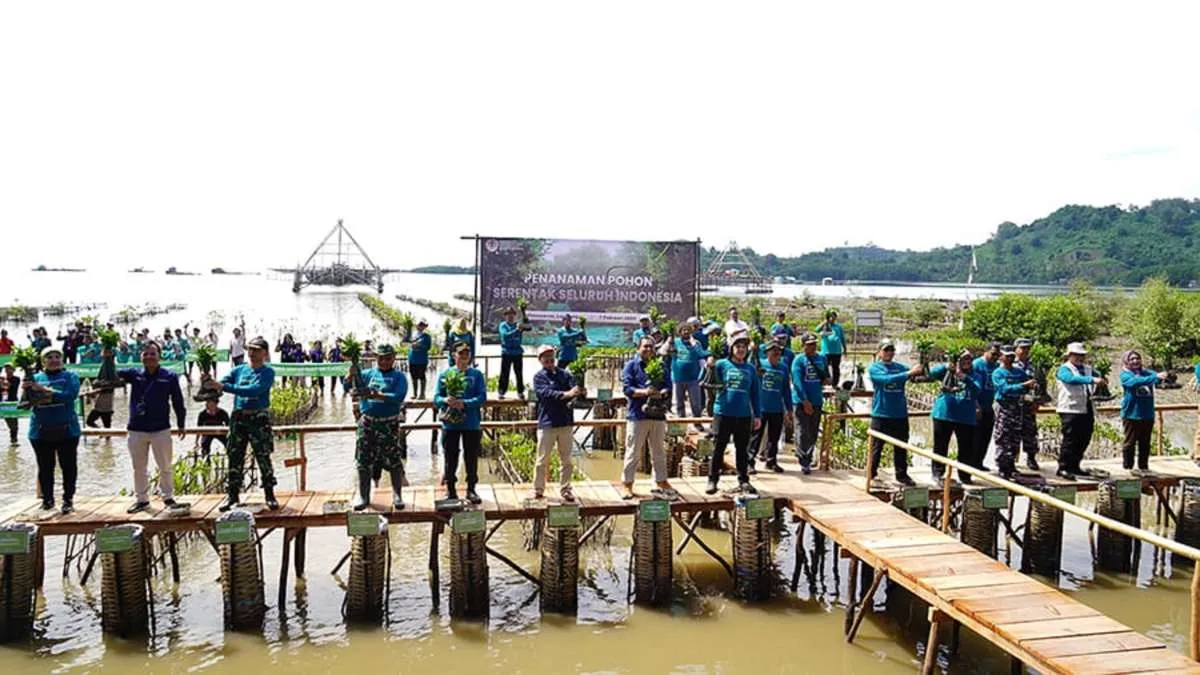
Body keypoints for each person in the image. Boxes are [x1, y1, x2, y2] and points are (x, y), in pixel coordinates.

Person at [119, 341, 187, 513]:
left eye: (153, 354)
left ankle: (168, 497)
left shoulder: (169, 376)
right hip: (136, 429)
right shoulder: (134, 374)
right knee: (139, 467)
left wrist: (181, 423)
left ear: (159, 356)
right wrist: (107, 355)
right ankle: (142, 500)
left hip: (161, 429)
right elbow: (109, 375)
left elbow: (178, 401)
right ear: (141, 357)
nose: (149, 357)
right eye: (146, 354)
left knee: (165, 466)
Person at [213, 336, 278, 511]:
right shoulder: (240, 369)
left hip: (258, 418)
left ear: (264, 353)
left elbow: (254, 390)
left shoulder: (267, 372)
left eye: (256, 350)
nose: (252, 353)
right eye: (249, 349)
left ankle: (270, 495)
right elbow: (224, 381)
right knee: (234, 456)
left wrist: (224, 387)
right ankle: (232, 496)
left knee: (263, 456)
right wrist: (215, 385)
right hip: (238, 418)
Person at [352, 344, 409, 511]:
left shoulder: (399, 377)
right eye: (380, 358)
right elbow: (351, 386)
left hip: (389, 423)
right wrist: (350, 375)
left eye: (387, 358)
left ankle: (397, 494)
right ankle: (364, 496)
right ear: (376, 358)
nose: (384, 361)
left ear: (393, 358)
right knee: (363, 460)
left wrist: (377, 395)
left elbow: (398, 396)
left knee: (394, 459)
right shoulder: (368, 373)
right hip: (368, 422)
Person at [25, 346, 81, 513]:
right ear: (43, 362)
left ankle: (68, 500)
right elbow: (24, 405)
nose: (54, 360)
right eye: (49, 357)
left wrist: (44, 391)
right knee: (45, 467)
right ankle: (47, 500)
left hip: (67, 431)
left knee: (68, 466)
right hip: (40, 431)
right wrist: (27, 391)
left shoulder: (70, 376)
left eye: (57, 356)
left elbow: (70, 395)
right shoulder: (34, 378)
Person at [705, 333, 761, 494]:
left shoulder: (750, 369)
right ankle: (712, 479)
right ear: (731, 349)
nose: (741, 350)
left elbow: (755, 393)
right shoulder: (722, 364)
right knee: (719, 447)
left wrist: (757, 415)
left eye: (744, 347)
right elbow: (707, 381)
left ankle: (743, 480)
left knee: (742, 449)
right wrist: (709, 365)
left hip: (743, 415)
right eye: (738, 347)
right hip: (723, 413)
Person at [620, 336, 675, 499]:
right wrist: (645, 392)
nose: (649, 349)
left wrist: (662, 393)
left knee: (658, 451)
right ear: (639, 348)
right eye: (645, 347)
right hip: (637, 415)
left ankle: (661, 481)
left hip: (658, 415)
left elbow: (668, 386)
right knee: (633, 451)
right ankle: (627, 484)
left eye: (651, 347)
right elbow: (627, 389)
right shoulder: (631, 365)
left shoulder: (660, 365)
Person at [434, 342, 486, 502]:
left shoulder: (476, 375)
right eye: (460, 354)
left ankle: (471, 489)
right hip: (450, 424)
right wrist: (445, 400)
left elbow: (482, 397)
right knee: (450, 456)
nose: (464, 358)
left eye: (467, 355)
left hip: (471, 423)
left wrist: (465, 403)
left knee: (471, 457)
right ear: (453, 355)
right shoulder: (445, 374)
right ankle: (451, 490)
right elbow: (436, 398)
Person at [868, 339, 923, 486]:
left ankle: (902, 475)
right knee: (876, 447)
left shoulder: (901, 367)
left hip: (899, 414)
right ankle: (871, 474)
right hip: (881, 414)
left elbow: (916, 377)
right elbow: (885, 380)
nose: (889, 353)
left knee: (901, 447)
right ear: (879, 352)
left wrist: (922, 367)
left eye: (891, 350)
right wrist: (909, 373)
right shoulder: (874, 368)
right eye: (886, 350)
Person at [531, 344, 582, 501]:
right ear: (540, 360)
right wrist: (566, 394)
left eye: (551, 355)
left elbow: (574, 387)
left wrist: (579, 389)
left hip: (565, 423)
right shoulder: (539, 377)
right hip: (547, 423)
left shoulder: (565, 374)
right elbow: (546, 393)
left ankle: (566, 489)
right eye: (545, 356)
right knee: (542, 459)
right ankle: (538, 489)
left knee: (566, 459)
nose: (549, 359)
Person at [1055, 342, 1106, 480]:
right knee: (1070, 439)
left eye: (1081, 355)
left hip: (1086, 407)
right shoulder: (1064, 369)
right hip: (1069, 408)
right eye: (1076, 355)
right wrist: (1092, 379)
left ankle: (1075, 466)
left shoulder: (1089, 369)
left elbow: (1099, 376)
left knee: (1084, 438)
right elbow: (1070, 379)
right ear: (1069, 355)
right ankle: (1064, 467)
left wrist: (1102, 379)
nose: (1079, 358)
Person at [928, 351, 981, 483]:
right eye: (963, 359)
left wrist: (964, 377)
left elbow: (977, 390)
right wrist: (946, 366)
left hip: (966, 417)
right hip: (943, 415)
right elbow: (932, 374)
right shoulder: (948, 372)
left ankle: (964, 476)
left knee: (966, 448)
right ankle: (938, 473)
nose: (967, 362)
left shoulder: (976, 376)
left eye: (969, 359)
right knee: (940, 446)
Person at [991, 345, 1038, 479]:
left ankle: (1011, 465)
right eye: (1007, 356)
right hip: (1004, 407)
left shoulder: (1019, 372)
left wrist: (1031, 388)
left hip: (1018, 407)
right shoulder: (998, 373)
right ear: (1001, 357)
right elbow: (1004, 389)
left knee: (1015, 438)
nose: (1010, 358)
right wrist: (1022, 386)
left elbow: (1028, 387)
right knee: (1003, 437)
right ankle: (1002, 466)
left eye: (1012, 356)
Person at [1120, 350, 1167, 473]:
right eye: (1132, 359)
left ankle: (1143, 467)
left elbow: (1156, 379)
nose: (1135, 361)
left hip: (1147, 414)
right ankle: (1127, 467)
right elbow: (1135, 382)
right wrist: (1155, 377)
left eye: (1137, 358)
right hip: (1131, 414)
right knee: (1130, 443)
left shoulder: (1147, 373)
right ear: (1126, 361)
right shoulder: (1125, 375)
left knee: (1145, 443)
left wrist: (1165, 376)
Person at [750, 341, 790, 474]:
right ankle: (749, 462)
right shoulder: (759, 364)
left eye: (778, 351)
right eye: (773, 351)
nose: (776, 353)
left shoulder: (783, 368)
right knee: (756, 437)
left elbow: (786, 390)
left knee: (774, 437)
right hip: (761, 408)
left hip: (777, 408)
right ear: (767, 352)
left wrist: (789, 409)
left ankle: (771, 461)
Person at [791, 332, 828, 474]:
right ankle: (803, 460)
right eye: (809, 345)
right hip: (801, 402)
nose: (812, 347)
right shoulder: (798, 361)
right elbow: (797, 382)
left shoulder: (821, 358)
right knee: (801, 431)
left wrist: (827, 380)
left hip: (817, 400)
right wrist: (805, 401)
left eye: (814, 344)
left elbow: (825, 376)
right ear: (803, 346)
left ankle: (809, 455)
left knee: (813, 431)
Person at [672, 322, 709, 432]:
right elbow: (664, 351)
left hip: (693, 378)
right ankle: (680, 425)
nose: (686, 332)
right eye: (683, 330)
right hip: (678, 378)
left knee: (695, 403)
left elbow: (702, 354)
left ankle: (697, 423)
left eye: (688, 330)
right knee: (679, 403)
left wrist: (694, 344)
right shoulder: (675, 343)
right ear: (680, 332)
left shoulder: (696, 343)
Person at [971, 343, 1001, 472]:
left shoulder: (997, 366)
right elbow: (971, 386)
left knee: (986, 437)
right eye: (993, 354)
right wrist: (976, 405)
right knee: (975, 438)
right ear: (986, 352)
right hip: (977, 406)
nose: (996, 357)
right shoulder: (977, 364)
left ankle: (979, 463)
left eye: (997, 355)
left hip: (989, 406)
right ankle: (970, 464)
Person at [1012, 337, 1041, 471]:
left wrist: (1038, 401)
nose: (1025, 351)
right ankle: (1011, 460)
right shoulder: (1009, 364)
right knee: (1012, 433)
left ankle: (1031, 458)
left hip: (1029, 404)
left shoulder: (1034, 366)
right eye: (1022, 348)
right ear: (1016, 349)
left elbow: (1040, 385)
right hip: (1013, 404)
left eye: (1028, 349)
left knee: (1030, 432)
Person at [498, 307, 527, 399]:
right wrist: (517, 330)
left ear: (514, 315)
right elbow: (505, 335)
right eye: (508, 314)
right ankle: (502, 392)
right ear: (505, 315)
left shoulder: (518, 325)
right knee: (504, 373)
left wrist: (523, 311)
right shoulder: (503, 325)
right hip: (507, 352)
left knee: (519, 373)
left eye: (512, 314)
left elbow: (528, 326)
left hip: (517, 352)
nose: (510, 316)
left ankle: (520, 391)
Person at [816, 310, 846, 386]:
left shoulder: (838, 327)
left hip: (836, 351)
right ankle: (825, 383)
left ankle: (835, 384)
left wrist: (845, 348)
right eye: (830, 316)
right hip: (826, 352)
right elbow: (816, 330)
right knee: (824, 368)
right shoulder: (825, 326)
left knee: (836, 368)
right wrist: (825, 322)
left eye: (834, 316)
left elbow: (842, 338)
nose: (832, 318)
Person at [407, 319, 432, 399]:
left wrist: (419, 346)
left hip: (422, 359)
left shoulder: (427, 336)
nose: (420, 326)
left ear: (424, 327)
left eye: (422, 325)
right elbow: (406, 343)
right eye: (419, 324)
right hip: (412, 358)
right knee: (413, 376)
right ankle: (414, 394)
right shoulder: (412, 335)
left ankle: (422, 394)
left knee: (422, 375)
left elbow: (428, 347)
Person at [2, 364, 18, 443]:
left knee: (14, 426)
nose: (7, 371)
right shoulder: (2, 379)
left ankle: (13, 441)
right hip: (3, 404)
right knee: (9, 423)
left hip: (13, 404)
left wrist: (3, 382)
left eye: (9, 369)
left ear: (13, 370)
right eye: (6, 369)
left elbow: (12, 387)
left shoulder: (16, 379)